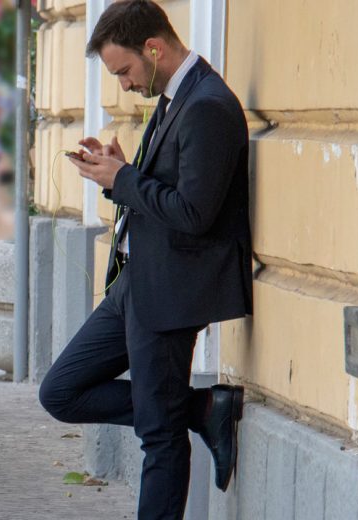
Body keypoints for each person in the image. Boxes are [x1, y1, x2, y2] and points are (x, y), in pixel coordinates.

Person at [38, 1, 253, 518]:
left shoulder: (208, 106)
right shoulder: (177, 97)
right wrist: (119, 172)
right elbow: (168, 190)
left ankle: (185, 410)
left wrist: (125, 181)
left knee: (160, 438)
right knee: (61, 392)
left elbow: (195, 213)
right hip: (138, 282)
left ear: (153, 49)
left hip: (172, 292)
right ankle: (200, 407)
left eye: (125, 71)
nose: (125, 85)